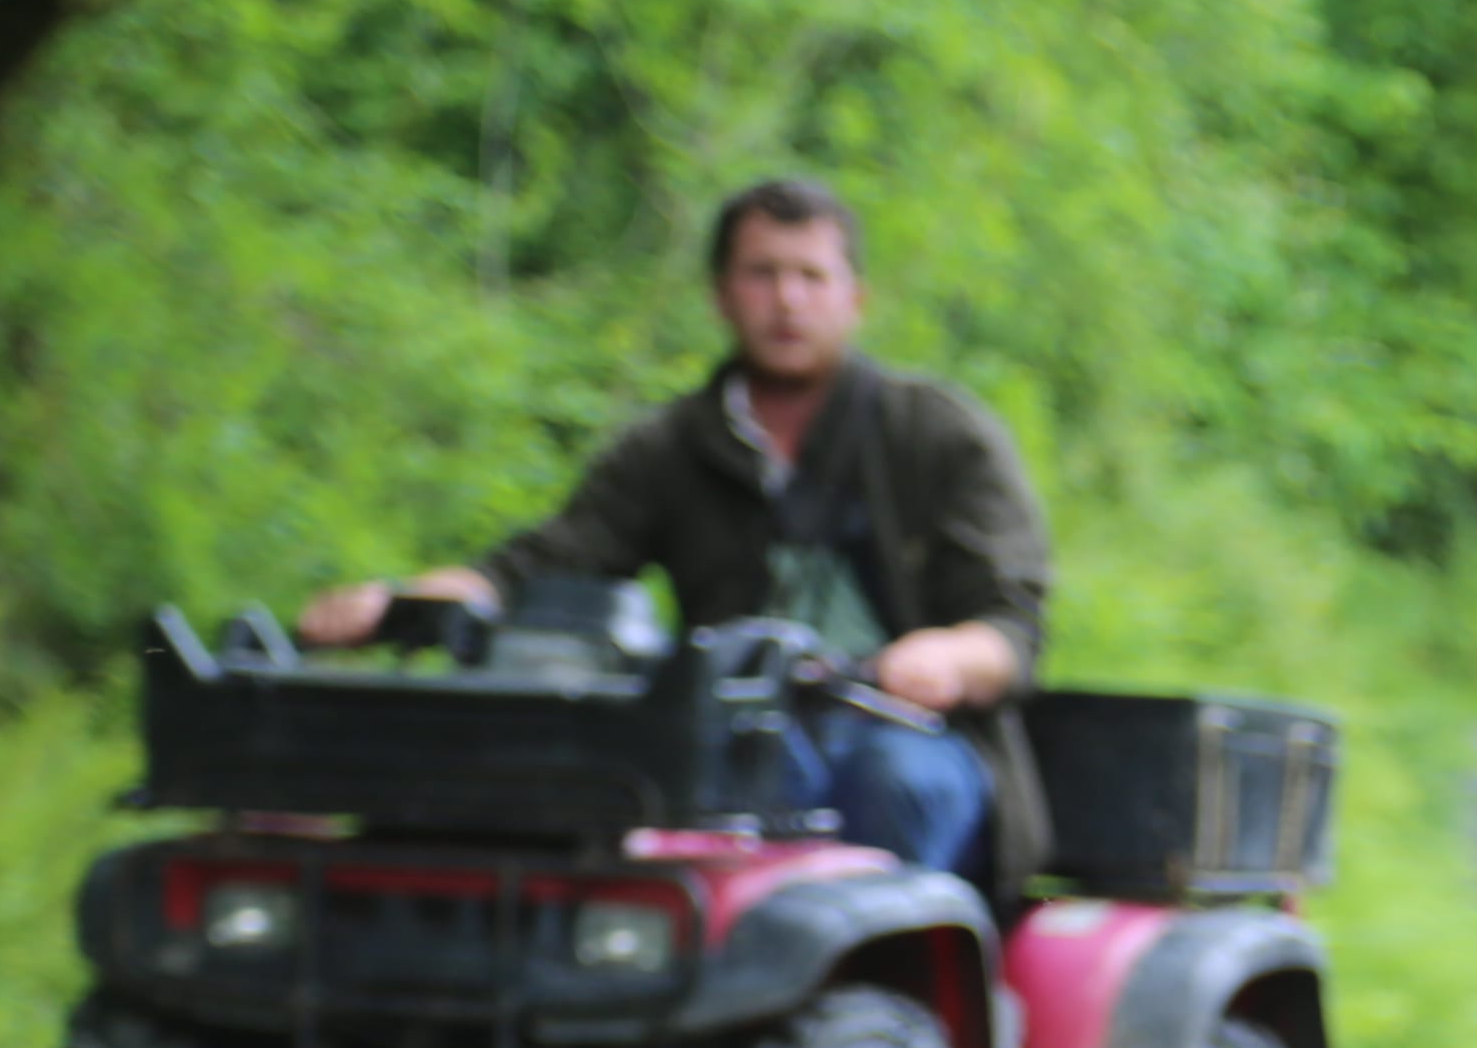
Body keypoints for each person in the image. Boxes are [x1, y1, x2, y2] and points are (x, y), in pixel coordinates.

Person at [301, 178, 1053, 882]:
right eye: (762, 273)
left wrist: (949, 657)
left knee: (893, 783)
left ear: (854, 297)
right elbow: (553, 560)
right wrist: (402, 603)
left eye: (811, 276)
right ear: (723, 294)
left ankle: (897, 1003)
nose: (786, 300)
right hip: (729, 733)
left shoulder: (937, 434)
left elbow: (1010, 625)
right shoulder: (673, 447)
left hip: (911, 735)